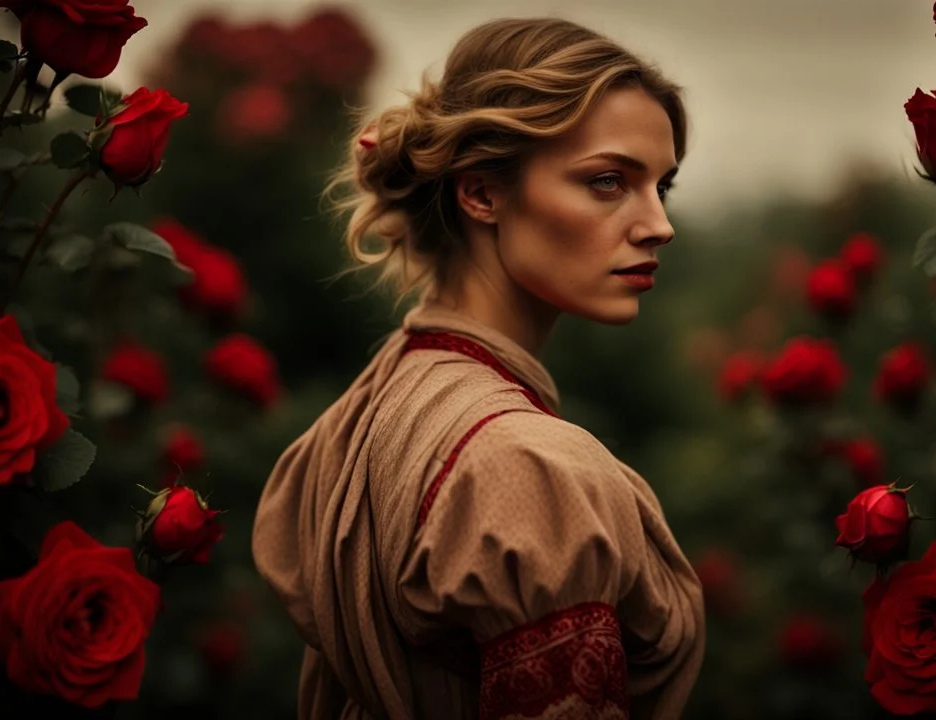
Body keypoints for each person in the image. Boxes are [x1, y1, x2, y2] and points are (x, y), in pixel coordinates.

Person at [252, 16, 705, 719]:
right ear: (482, 194)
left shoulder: (382, 394)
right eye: (609, 181)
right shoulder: (529, 466)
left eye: (661, 187)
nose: (658, 224)